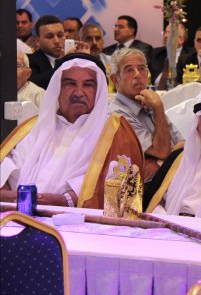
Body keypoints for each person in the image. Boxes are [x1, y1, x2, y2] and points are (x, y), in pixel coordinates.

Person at [0, 53, 144, 209]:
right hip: (16, 214)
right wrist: (8, 194)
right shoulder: (32, 128)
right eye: (70, 84)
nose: (78, 93)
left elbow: (121, 193)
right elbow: (6, 166)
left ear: (99, 91)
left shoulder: (117, 132)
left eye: (88, 85)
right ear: (57, 88)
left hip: (79, 221)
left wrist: (64, 201)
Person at [109, 48, 184, 177]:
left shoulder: (148, 102)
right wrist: (158, 108)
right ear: (115, 79)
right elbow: (162, 151)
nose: (137, 74)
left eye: (142, 68)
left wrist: (163, 160)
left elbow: (182, 143)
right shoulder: (117, 114)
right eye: (129, 70)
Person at [28, 14, 66, 89]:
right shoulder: (29, 60)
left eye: (60, 35)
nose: (57, 41)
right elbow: (33, 85)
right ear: (37, 41)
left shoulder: (74, 58)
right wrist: (61, 65)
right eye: (49, 37)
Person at [150, 22, 194, 87]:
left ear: (181, 40)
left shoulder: (191, 55)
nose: (165, 36)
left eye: (170, 33)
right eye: (165, 32)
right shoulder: (155, 53)